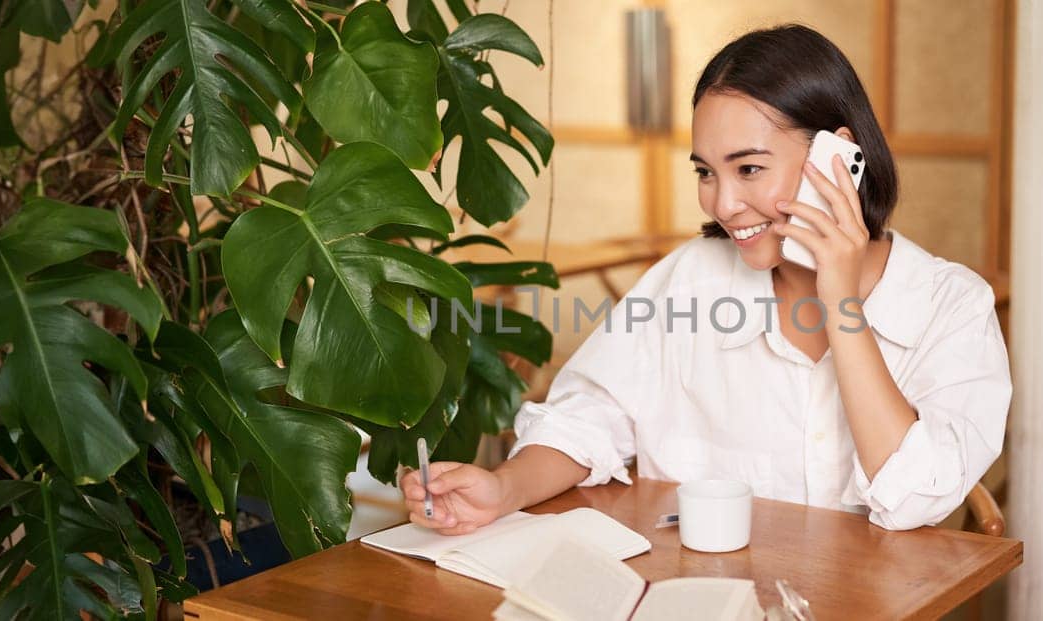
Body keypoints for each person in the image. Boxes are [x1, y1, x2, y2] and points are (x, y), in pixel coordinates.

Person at [400, 24, 1010, 533]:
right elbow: (590, 414)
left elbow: (917, 499)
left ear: (837, 157)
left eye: (748, 168)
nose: (722, 203)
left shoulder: (951, 305)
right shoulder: (691, 278)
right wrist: (503, 489)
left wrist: (840, 300)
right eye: (707, 172)